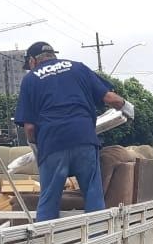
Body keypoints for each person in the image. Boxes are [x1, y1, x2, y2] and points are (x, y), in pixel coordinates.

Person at [14, 41, 135, 221]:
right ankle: (97, 242)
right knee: (94, 195)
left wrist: (36, 146)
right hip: (84, 139)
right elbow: (111, 98)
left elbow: (30, 127)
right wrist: (127, 107)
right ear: (53, 55)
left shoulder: (30, 80)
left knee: (48, 200)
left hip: (52, 143)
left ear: (32, 61)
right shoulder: (78, 68)